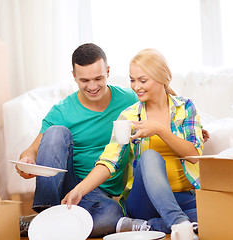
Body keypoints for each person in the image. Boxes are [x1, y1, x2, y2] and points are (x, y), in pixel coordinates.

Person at [62, 48, 205, 240]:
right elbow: (109, 160)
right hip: (143, 201)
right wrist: (79, 190)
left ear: (163, 78)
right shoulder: (129, 116)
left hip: (183, 198)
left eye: (142, 80)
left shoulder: (185, 108)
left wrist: (160, 130)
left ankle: (150, 226)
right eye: (132, 80)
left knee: (220, 214)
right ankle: (179, 223)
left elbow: (194, 156)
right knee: (149, 157)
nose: (136, 87)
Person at [16, 43, 139, 237]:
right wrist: (27, 161)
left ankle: (44, 226)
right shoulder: (62, 111)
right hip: (69, 186)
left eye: (98, 78)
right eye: (84, 80)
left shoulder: (129, 99)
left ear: (108, 71)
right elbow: (31, 151)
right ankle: (47, 211)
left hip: (99, 196)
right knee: (56, 132)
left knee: (112, 215)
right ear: (74, 77)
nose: (92, 87)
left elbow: (160, 96)